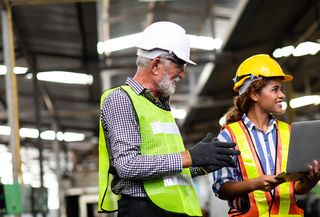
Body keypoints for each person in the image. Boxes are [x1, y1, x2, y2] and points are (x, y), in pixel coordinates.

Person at [97, 21, 240, 217]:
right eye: (179, 65)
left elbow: (169, 170)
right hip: (144, 209)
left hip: (173, 208)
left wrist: (202, 165)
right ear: (155, 65)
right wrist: (190, 157)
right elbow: (127, 165)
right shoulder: (121, 99)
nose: (182, 74)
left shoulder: (161, 105)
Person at [212, 54, 320, 216]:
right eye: (275, 89)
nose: (282, 95)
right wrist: (254, 184)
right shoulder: (228, 136)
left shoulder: (290, 132)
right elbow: (221, 188)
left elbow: (295, 188)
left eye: (281, 89)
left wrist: (312, 180)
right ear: (254, 94)